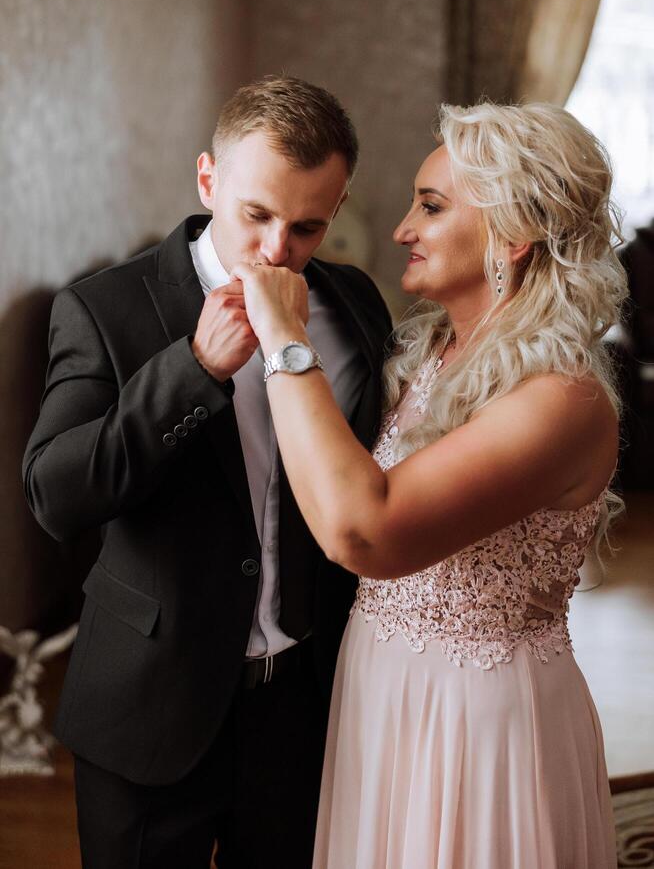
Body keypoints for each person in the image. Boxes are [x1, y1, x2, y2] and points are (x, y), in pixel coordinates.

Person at [233, 101, 627, 869]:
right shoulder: (435, 355)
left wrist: (284, 339)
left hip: (476, 722)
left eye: (432, 205)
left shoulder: (560, 399)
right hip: (381, 690)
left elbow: (364, 532)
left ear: (512, 235)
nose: (401, 229)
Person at [22, 76, 391, 869]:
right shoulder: (103, 308)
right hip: (149, 710)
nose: (274, 251)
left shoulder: (355, 304)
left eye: (306, 227)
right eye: (256, 215)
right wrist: (191, 369)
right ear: (207, 179)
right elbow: (55, 493)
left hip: (302, 709)